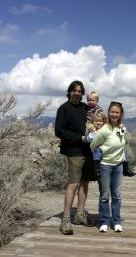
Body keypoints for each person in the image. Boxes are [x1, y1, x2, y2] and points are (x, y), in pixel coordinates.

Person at [55, 80, 96, 235]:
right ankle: (66, 219)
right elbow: (59, 131)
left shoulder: (86, 108)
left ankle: (79, 214)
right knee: (73, 184)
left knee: (85, 183)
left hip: (88, 151)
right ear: (70, 92)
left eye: (80, 91)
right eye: (75, 91)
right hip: (74, 151)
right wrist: (79, 138)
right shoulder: (63, 109)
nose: (77, 93)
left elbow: (95, 123)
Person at [90, 101, 127, 232]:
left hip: (118, 166)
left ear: (121, 114)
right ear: (108, 113)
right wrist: (100, 155)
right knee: (105, 195)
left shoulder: (122, 128)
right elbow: (93, 144)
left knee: (116, 195)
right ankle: (105, 221)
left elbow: (122, 144)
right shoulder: (104, 130)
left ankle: (116, 221)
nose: (114, 114)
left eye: (117, 112)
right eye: (112, 112)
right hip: (105, 166)